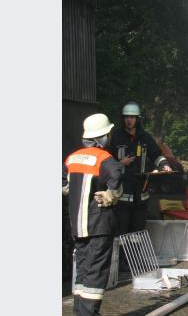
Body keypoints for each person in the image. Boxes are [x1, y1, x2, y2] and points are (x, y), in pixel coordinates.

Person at [63, 114, 124, 315]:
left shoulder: (72, 158)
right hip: (99, 225)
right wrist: (112, 194)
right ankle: (89, 312)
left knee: (82, 269)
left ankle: (80, 311)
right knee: (96, 272)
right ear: (102, 137)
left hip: (77, 226)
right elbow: (116, 177)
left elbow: (64, 184)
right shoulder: (105, 159)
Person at [108, 102, 173, 236]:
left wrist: (164, 164)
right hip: (122, 194)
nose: (129, 120)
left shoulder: (145, 137)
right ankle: (122, 257)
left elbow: (156, 154)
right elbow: (107, 162)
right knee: (122, 231)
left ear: (137, 119)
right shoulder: (116, 137)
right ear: (123, 119)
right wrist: (121, 163)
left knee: (138, 230)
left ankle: (136, 256)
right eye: (126, 117)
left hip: (141, 193)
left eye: (132, 117)